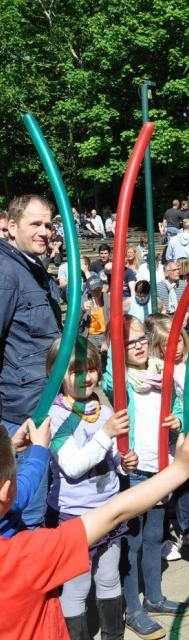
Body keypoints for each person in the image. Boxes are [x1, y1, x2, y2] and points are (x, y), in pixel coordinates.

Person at [0, 418, 189, 640]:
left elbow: (23, 485)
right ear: (6, 491)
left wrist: (12, 447)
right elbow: (115, 512)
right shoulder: (27, 556)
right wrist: (180, 470)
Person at [102, 315, 189, 639]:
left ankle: (153, 597)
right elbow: (110, 377)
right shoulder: (120, 379)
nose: (138, 346)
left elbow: (178, 406)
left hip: (161, 467)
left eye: (141, 339)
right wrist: (112, 348)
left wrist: (178, 421)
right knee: (134, 542)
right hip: (136, 471)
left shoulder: (159, 369)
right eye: (128, 343)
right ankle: (132, 608)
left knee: (155, 537)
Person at [44, 336, 138, 639]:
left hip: (108, 511)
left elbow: (112, 460)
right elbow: (73, 467)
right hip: (74, 518)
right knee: (77, 587)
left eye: (93, 369)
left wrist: (125, 463)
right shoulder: (55, 416)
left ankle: (114, 635)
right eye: (76, 371)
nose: (87, 377)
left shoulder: (104, 412)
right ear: (56, 374)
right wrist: (106, 434)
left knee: (109, 578)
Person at [0, 194, 62, 529]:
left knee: (43, 505)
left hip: (44, 404)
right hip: (21, 415)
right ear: (12, 227)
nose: (44, 231)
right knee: (26, 513)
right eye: (35, 224)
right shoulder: (6, 273)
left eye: (48, 224)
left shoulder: (33, 269)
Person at [146, 315, 189, 554]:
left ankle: (186, 528)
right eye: (166, 346)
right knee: (164, 484)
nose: (176, 348)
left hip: (185, 430)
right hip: (164, 436)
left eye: (179, 341)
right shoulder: (155, 370)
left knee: (183, 483)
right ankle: (162, 535)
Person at [0, 417, 51, 538]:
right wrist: (40, 449)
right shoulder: (10, 499)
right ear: (5, 492)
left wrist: (10, 447)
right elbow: (25, 485)